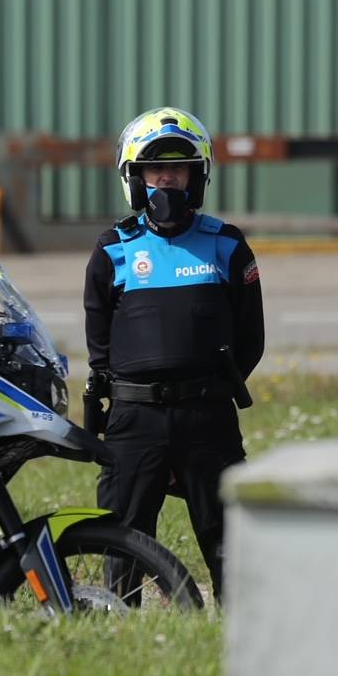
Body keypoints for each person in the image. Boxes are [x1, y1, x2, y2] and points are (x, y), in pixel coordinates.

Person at [82, 107, 265, 601]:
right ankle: (123, 630)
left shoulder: (226, 246)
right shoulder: (113, 248)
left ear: (197, 175)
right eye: (154, 169)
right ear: (135, 178)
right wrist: (129, 395)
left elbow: (251, 338)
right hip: (133, 418)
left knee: (226, 534)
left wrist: (205, 389)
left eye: (178, 168)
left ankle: (235, 630)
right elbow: (99, 339)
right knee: (123, 536)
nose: (166, 177)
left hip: (208, 417)